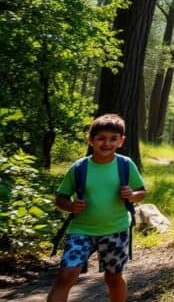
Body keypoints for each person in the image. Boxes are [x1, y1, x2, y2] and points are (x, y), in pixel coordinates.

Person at [48, 114, 147, 302]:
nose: (106, 143)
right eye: (101, 138)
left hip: (116, 230)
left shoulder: (125, 165)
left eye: (113, 139)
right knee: (66, 275)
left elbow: (142, 192)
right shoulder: (79, 168)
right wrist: (70, 206)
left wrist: (132, 196)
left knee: (113, 277)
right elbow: (60, 198)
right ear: (91, 140)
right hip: (81, 230)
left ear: (121, 141)